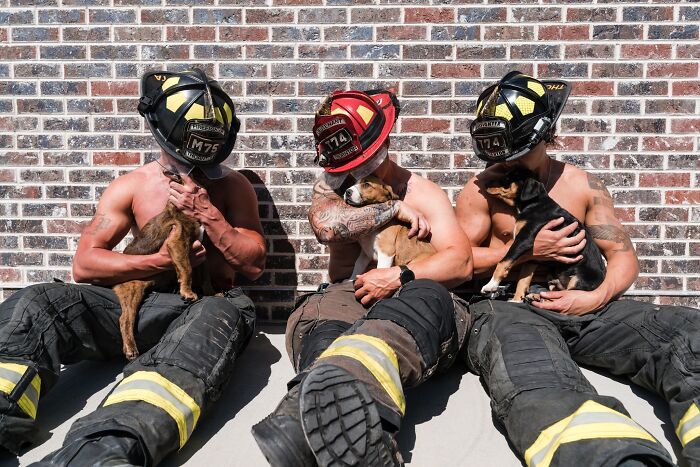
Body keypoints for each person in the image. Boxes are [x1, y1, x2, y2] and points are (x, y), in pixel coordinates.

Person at [0, 69, 266, 466]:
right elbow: (85, 264)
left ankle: (102, 454)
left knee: (222, 311)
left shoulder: (234, 186)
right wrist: (155, 262)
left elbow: (254, 264)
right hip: (138, 305)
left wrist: (209, 215)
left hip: (202, 310)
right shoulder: (132, 186)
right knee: (37, 302)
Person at [455, 71, 698, 466]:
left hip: (588, 305)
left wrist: (595, 297)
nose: (506, 165)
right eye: (500, 156)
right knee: (538, 375)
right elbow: (459, 262)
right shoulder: (482, 189)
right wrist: (529, 248)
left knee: (690, 333)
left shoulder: (584, 185)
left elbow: (622, 257)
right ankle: (616, 459)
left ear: (546, 134)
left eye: (518, 153)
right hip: (514, 309)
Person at [252, 89, 473, 466]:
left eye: (363, 159)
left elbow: (460, 262)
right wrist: (391, 209)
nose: (355, 171)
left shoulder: (423, 191)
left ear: (382, 141)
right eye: (346, 164)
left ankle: (329, 421)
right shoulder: (335, 186)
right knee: (319, 314)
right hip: (348, 291)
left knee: (418, 307)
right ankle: (319, 408)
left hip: (413, 291)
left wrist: (400, 275)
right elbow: (324, 225)